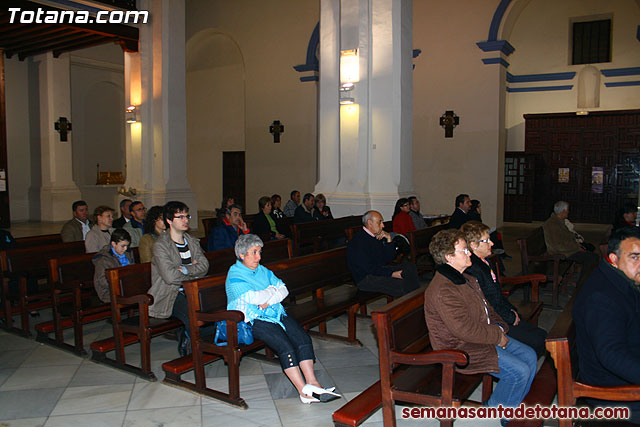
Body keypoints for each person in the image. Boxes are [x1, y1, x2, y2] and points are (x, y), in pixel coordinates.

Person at [424, 229, 537, 426]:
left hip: (481, 337)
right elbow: (464, 330)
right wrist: (497, 336)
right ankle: (496, 414)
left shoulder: (466, 278)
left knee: (530, 356)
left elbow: (488, 309)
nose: (469, 254)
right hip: (459, 348)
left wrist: (500, 328)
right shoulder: (444, 290)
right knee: (519, 372)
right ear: (449, 257)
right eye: (464, 250)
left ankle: (507, 408)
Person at [226, 234, 340, 404]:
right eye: (254, 252)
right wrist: (272, 291)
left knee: (302, 339)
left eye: (260, 252)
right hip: (252, 320)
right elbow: (253, 298)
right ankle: (304, 391)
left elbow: (284, 290)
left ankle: (313, 383)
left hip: (275, 313)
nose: (259, 257)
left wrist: (269, 297)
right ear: (242, 255)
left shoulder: (262, 270)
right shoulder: (235, 274)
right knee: (285, 346)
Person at [574, 226, 640, 423]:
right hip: (613, 392)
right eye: (635, 257)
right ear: (613, 259)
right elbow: (612, 355)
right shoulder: (602, 297)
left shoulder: (619, 281)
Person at [461, 221, 547, 356]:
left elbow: (497, 295)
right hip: (493, 321)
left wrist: (512, 311)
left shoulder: (485, 262)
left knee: (541, 335)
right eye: (487, 240)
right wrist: (510, 317)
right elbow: (488, 302)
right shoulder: (473, 270)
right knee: (538, 340)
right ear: (473, 245)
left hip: (502, 313)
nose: (492, 243)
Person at [149, 201, 210, 356]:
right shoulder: (161, 246)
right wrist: (193, 270)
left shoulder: (191, 241)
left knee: (214, 308)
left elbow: (204, 266)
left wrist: (184, 269)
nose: (186, 220)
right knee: (194, 315)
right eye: (180, 216)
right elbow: (170, 277)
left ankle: (205, 342)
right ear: (169, 220)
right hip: (170, 294)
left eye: (186, 216)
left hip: (193, 290)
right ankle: (196, 349)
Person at [346, 210, 419, 296]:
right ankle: (409, 304)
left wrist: (389, 239)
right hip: (365, 278)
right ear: (370, 223)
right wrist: (391, 274)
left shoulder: (377, 236)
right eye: (379, 222)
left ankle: (416, 300)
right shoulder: (359, 241)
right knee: (402, 284)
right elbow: (368, 268)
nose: (383, 225)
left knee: (410, 268)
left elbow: (389, 258)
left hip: (378, 271)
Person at [542, 201, 599, 286]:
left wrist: (578, 245)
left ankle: (585, 283)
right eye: (567, 210)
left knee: (591, 254)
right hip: (561, 253)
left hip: (567, 250)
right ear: (563, 211)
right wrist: (576, 248)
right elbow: (558, 246)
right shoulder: (553, 224)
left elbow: (567, 237)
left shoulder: (559, 221)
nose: (568, 212)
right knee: (591, 258)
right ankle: (582, 285)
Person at [92, 228, 135, 303]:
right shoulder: (103, 258)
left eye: (127, 246)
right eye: (123, 246)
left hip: (127, 287)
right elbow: (102, 281)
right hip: (109, 291)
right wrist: (121, 286)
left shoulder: (128, 252)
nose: (125, 249)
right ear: (113, 244)